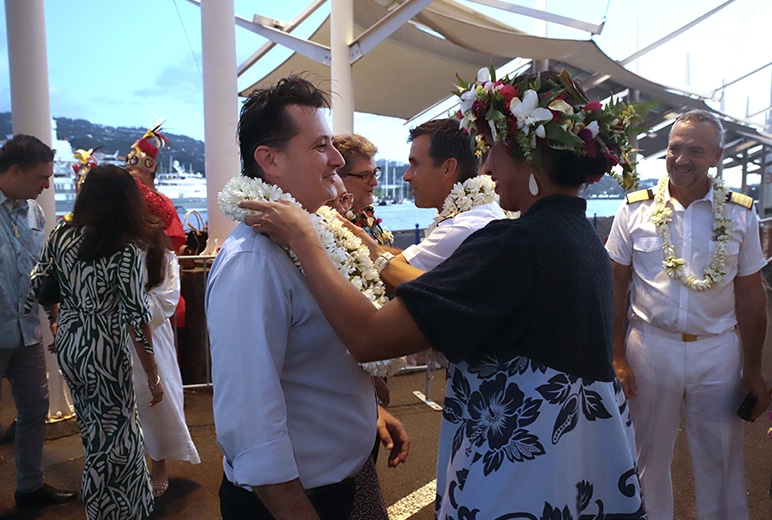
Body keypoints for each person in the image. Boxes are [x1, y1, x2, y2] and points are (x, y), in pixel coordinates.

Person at [240, 68, 646, 518]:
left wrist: (305, 239)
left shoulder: (519, 244)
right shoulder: (578, 236)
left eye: (493, 150)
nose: (486, 167)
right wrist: (371, 249)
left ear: (531, 159)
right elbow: (452, 297)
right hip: (572, 467)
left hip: (519, 479)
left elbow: (370, 336)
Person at [205, 75, 409, 520]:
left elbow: (316, 360)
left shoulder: (311, 238)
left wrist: (367, 409)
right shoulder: (253, 262)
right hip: (300, 503)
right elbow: (250, 423)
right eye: (320, 146)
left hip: (345, 480)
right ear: (270, 160)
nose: (337, 158)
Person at [605, 109, 770, 520]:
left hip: (717, 350)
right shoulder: (634, 210)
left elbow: (750, 295)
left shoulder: (740, 214)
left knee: (721, 459)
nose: (680, 159)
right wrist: (615, 355)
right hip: (649, 346)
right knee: (647, 458)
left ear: (716, 156)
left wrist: (753, 370)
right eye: (674, 148)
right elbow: (613, 285)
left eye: (694, 150)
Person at [29, 164, 165, 519]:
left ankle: (113, 507)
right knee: (119, 435)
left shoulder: (61, 233)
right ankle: (117, 509)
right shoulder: (125, 247)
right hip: (105, 344)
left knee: (95, 431)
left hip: (72, 342)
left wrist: (58, 320)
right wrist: (152, 371)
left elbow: (38, 282)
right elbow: (137, 317)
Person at [0, 134, 77, 509]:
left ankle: (29, 487)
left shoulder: (36, 214)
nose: (47, 185)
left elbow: (42, 273)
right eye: (41, 177)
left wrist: (53, 318)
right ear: (15, 171)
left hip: (27, 331)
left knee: (34, 411)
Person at [131, 178, 200, 499]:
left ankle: (158, 462)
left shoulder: (163, 254)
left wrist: (125, 305)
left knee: (154, 400)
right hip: (115, 337)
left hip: (150, 337)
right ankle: (128, 465)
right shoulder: (110, 248)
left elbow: (165, 302)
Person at [125, 123, 186, 253]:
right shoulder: (128, 200)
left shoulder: (162, 201)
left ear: (146, 173)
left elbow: (173, 240)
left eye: (131, 171)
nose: (127, 176)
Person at [334, 133, 394, 246]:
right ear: (337, 177)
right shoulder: (329, 224)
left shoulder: (366, 214)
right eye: (365, 175)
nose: (374, 182)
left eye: (375, 173)